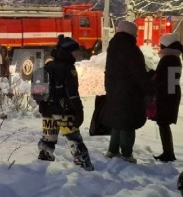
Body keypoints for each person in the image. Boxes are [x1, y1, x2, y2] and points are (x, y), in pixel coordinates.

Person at [36, 35, 94, 171]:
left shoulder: (49, 66)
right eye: (75, 51)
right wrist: (79, 110)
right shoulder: (68, 68)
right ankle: (85, 168)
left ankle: (40, 169)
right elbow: (71, 93)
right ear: (68, 52)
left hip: (47, 110)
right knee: (74, 140)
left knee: (47, 141)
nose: (77, 54)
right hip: (64, 112)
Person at [101, 20, 153, 163]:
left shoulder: (113, 48)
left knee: (117, 122)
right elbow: (139, 73)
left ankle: (112, 150)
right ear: (132, 34)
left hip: (113, 89)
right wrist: (150, 87)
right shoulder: (132, 50)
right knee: (128, 124)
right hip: (130, 92)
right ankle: (126, 154)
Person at [151, 33, 183, 162]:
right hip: (171, 93)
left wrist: (154, 80)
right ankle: (168, 152)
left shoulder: (168, 59)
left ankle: (168, 153)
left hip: (167, 95)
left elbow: (165, 80)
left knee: (163, 123)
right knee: (163, 123)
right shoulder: (174, 58)